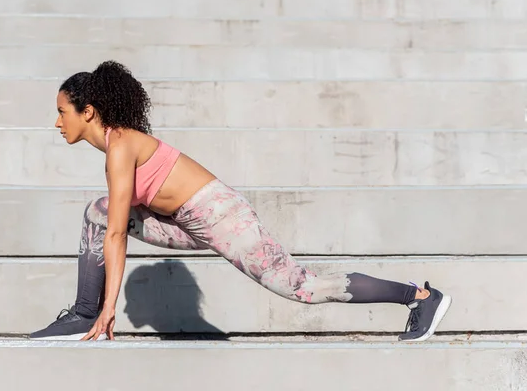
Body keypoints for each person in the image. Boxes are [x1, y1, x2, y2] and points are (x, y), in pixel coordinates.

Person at [29, 60, 452, 342]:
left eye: (62, 111)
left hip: (221, 217)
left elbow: (120, 231)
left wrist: (111, 309)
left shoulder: (120, 145)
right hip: (183, 221)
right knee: (95, 213)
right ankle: (83, 314)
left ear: (87, 112)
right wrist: (98, 308)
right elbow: (113, 223)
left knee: (302, 286)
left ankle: (418, 297)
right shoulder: (115, 144)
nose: (57, 121)